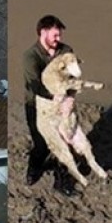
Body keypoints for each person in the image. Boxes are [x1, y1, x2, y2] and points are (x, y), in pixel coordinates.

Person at [23, 14, 80, 197]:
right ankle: (34, 168)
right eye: (55, 35)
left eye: (60, 35)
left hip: (62, 106)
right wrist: (60, 96)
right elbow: (36, 86)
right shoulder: (30, 56)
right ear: (43, 32)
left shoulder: (66, 51)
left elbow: (73, 78)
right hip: (36, 106)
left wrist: (70, 98)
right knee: (41, 145)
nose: (59, 39)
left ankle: (61, 181)